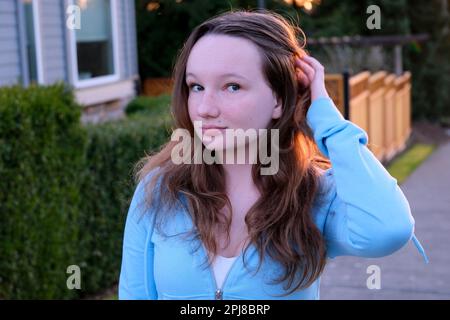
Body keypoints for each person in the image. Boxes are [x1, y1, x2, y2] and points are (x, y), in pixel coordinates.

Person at [118, 9, 428, 300]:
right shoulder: (160, 189)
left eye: (232, 86)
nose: (205, 108)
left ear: (279, 99)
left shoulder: (315, 195)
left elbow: (389, 229)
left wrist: (326, 119)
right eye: (196, 87)